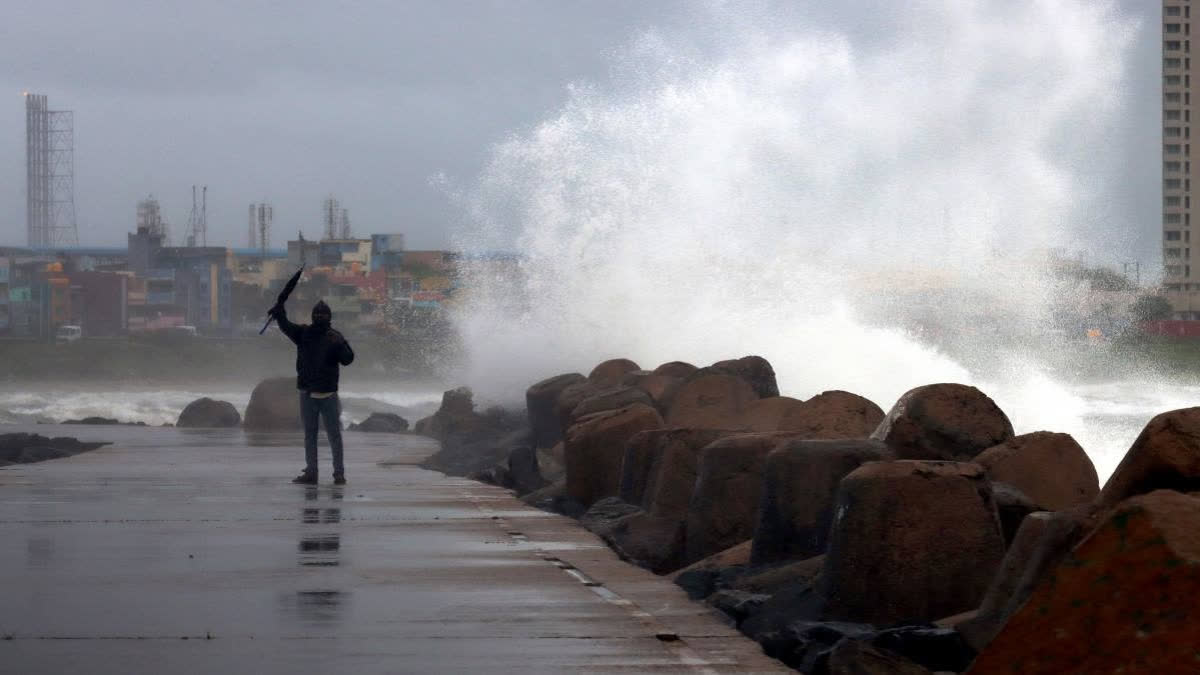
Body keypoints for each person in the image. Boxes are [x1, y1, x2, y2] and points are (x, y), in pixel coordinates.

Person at [269, 299, 355, 485]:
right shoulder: (305, 333)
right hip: (310, 393)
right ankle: (317, 473)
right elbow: (286, 326)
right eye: (317, 314)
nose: (319, 317)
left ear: (329, 317)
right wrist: (280, 313)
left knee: (323, 435)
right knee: (323, 435)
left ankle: (334, 474)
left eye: (322, 315)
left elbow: (348, 359)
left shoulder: (333, 337)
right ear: (313, 316)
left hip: (325, 394)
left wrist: (341, 343)